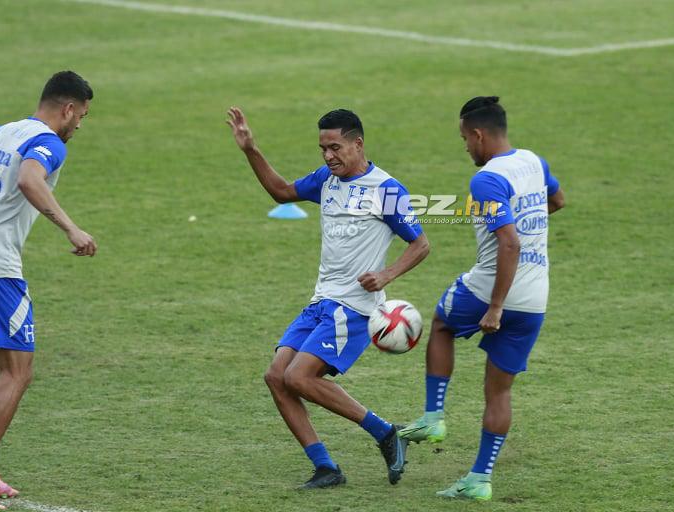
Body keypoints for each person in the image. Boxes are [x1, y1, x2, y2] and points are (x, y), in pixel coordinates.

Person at [226, 107, 429, 489]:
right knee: (276, 377)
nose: (328, 156)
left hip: (354, 307)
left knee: (298, 377)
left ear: (358, 143)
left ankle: (386, 433)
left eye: (335, 147)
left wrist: (386, 274)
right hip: (321, 302)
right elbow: (282, 192)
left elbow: (420, 245)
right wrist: (250, 149)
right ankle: (326, 467)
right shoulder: (326, 180)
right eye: (323, 149)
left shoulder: (386, 190)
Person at [398, 96, 565, 501]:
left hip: (491, 288)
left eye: (464, 140)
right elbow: (557, 202)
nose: (466, 148)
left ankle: (434, 416)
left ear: (478, 134)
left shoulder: (487, 179)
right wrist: (527, 219)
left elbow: (508, 244)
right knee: (499, 392)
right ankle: (479, 479)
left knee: (440, 323)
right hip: (536, 297)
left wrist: (494, 306)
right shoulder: (533, 162)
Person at [0, 71, 96, 510]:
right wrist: (72, 228)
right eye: (81, 116)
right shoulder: (50, 143)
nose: (79, 126)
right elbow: (30, 181)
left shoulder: (1, 132)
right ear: (67, 109)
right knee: (18, 371)